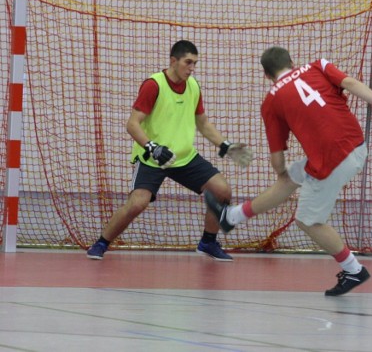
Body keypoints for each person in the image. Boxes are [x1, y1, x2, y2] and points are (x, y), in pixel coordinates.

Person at [204, 46, 372, 296]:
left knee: (308, 220)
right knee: (292, 177)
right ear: (292, 61)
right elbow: (351, 83)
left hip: (332, 161)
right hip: (356, 145)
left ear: (267, 76)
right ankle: (231, 217)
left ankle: (353, 269)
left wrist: (279, 172)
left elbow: (277, 157)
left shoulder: (271, 101)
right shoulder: (317, 66)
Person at [87, 40, 252, 261]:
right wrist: (152, 147)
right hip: (152, 158)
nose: (191, 68)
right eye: (188, 62)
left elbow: (202, 122)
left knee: (222, 190)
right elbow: (132, 124)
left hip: (184, 158)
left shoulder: (193, 85)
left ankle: (208, 243)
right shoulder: (153, 85)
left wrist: (224, 144)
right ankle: (101, 243)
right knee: (138, 203)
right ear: (173, 61)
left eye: (195, 63)